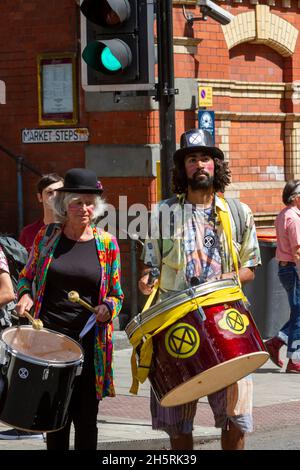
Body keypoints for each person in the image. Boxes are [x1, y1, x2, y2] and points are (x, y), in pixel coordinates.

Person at [138, 129, 261, 450]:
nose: (199, 164)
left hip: (226, 324)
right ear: (183, 169)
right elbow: (151, 265)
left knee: (235, 419)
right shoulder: (163, 214)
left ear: (216, 165)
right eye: (192, 159)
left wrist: (228, 275)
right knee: (178, 425)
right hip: (176, 325)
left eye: (205, 158)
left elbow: (251, 267)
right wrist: (147, 278)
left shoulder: (238, 213)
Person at [15, 168, 124, 450]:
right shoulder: (47, 237)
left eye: (90, 202)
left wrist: (107, 308)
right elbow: (26, 277)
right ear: (65, 205)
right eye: (77, 202)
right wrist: (25, 295)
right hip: (50, 341)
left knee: (87, 420)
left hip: (90, 344)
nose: (84, 208)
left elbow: (117, 295)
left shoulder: (107, 244)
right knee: (55, 420)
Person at [265, 180, 300, 373]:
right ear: (295, 198)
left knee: (298, 312)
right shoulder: (294, 218)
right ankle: (295, 361)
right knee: (299, 314)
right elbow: (298, 250)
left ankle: (276, 342)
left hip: (286, 268)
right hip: (294, 268)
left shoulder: (283, 215)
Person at [19, 173, 64, 252]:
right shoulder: (28, 232)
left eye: (60, 192)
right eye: (50, 192)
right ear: (40, 197)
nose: (56, 196)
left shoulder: (72, 230)